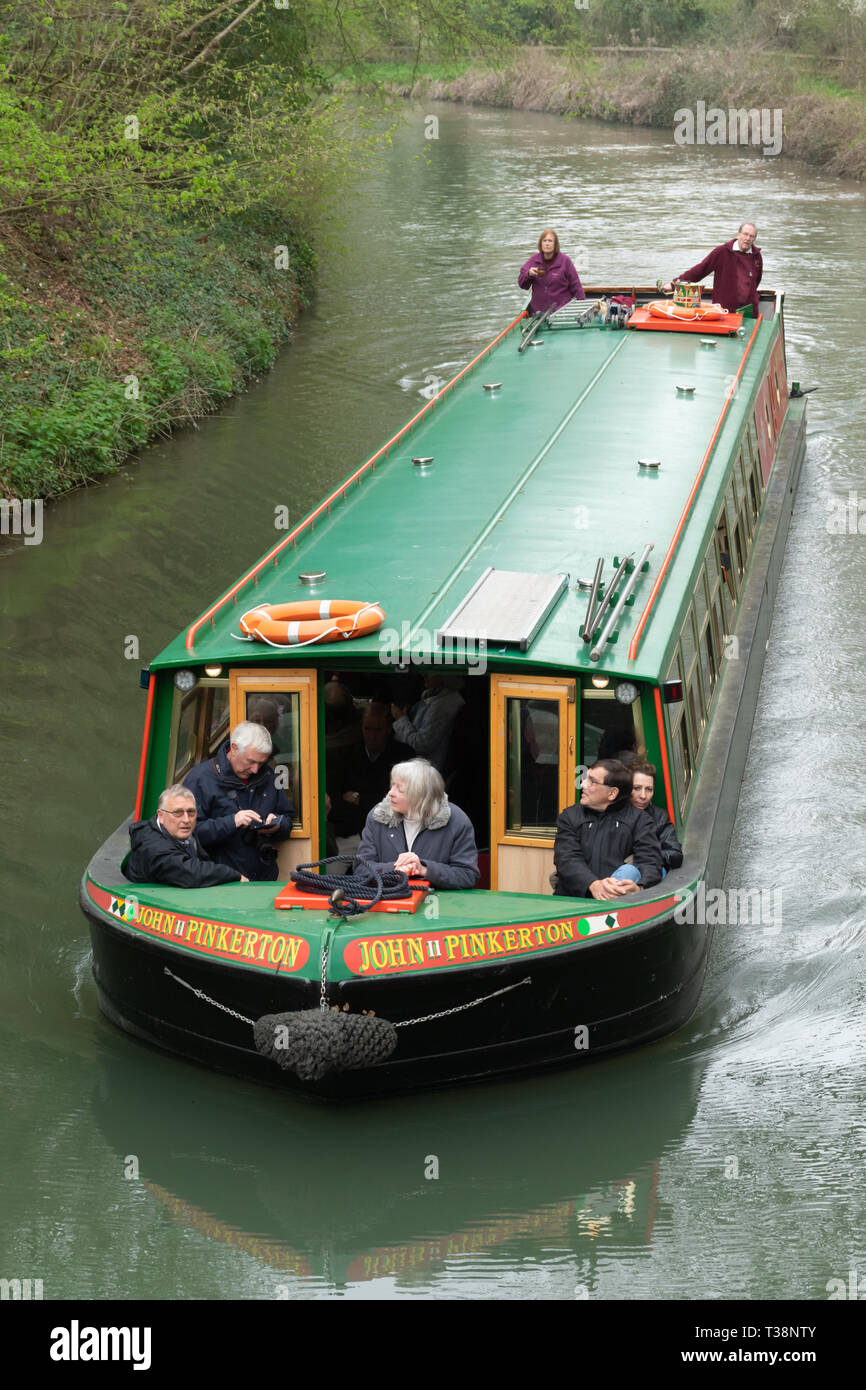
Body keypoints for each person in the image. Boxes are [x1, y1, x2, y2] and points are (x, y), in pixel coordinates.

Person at [183, 721, 294, 882]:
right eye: (250, 761)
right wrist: (232, 822)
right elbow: (187, 834)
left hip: (264, 879)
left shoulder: (268, 775)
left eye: (261, 763)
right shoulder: (200, 779)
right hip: (219, 882)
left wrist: (277, 825)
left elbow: (287, 818)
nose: (255, 769)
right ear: (234, 749)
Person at [355, 758, 480, 891]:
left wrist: (423, 869)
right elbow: (361, 869)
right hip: (387, 900)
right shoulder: (378, 816)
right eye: (392, 785)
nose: (390, 793)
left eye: (400, 790)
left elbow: (468, 875)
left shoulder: (456, 820)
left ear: (421, 797)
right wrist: (397, 869)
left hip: (437, 904)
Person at [553, 759, 663, 901]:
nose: (582, 784)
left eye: (592, 781)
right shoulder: (570, 816)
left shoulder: (640, 821)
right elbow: (567, 859)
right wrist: (593, 884)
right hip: (571, 903)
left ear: (612, 793)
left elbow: (650, 862)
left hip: (618, 908)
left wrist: (639, 888)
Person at [124, 785, 248, 888]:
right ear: (161, 816)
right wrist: (233, 875)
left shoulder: (181, 832)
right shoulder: (153, 847)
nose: (186, 819)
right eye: (178, 813)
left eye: (191, 812)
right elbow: (190, 873)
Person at [327, 702, 411, 842]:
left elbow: (406, 801)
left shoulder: (403, 757)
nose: (372, 736)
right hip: (350, 835)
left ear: (389, 729)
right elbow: (333, 802)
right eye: (368, 729)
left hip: (392, 834)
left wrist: (359, 798)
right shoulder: (346, 756)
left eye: (378, 730)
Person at [663, 223, 762, 316]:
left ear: (754, 239)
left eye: (751, 236)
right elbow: (700, 270)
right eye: (745, 234)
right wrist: (674, 284)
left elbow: (756, 281)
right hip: (725, 310)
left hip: (750, 311)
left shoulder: (757, 256)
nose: (747, 238)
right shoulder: (721, 252)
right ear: (738, 235)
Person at [391, 673, 465, 775]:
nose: (424, 675)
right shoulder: (433, 697)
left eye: (430, 671)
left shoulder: (444, 704)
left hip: (427, 774)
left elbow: (421, 744)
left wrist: (400, 719)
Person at [630, 762, 683, 875]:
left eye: (649, 789)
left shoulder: (659, 816)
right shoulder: (615, 814)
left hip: (652, 872)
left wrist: (642, 856)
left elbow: (675, 855)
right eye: (637, 788)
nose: (643, 796)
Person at [518, 229, 585, 316]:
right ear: (541, 244)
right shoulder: (534, 260)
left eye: (550, 241)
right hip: (538, 313)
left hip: (561, 312)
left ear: (555, 244)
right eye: (544, 241)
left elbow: (576, 286)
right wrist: (528, 274)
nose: (547, 243)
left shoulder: (565, 261)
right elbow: (522, 284)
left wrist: (582, 307)